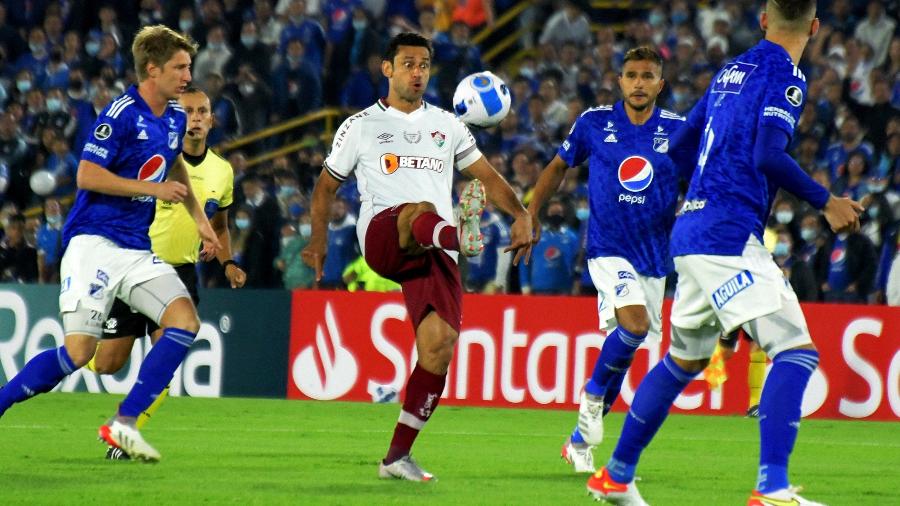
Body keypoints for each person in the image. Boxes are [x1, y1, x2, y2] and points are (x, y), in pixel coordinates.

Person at [586, 3, 863, 505]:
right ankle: (772, 488)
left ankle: (615, 477)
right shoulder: (787, 76)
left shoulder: (730, 69)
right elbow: (767, 155)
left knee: (683, 361)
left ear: (762, 19)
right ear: (816, 28)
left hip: (691, 230)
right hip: (727, 234)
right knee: (796, 351)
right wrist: (827, 201)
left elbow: (680, 144)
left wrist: (705, 191)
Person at [302, 32, 532, 482]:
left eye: (424, 65)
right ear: (387, 69)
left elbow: (485, 175)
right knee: (419, 211)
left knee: (439, 348)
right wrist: (320, 240)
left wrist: (521, 213)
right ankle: (460, 235)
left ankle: (396, 458)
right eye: (408, 63)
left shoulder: (447, 125)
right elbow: (326, 187)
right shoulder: (361, 125)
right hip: (385, 236)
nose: (418, 72)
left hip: (435, 247)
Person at [0, 25, 221, 463]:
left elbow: (173, 163)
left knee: (185, 321)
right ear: (152, 69)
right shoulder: (120, 113)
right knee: (81, 353)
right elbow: (86, 176)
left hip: (136, 248)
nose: (186, 74)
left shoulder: (174, 116)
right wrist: (153, 190)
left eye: (188, 66)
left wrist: (200, 220)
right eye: (179, 67)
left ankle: (124, 423)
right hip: (94, 242)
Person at [526, 46, 690, 474]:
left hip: (654, 256)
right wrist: (531, 212)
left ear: (660, 83)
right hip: (606, 248)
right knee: (633, 325)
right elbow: (556, 167)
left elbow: (704, 176)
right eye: (632, 75)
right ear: (620, 80)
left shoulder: (679, 129)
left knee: (629, 345)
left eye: (648, 76)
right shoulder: (594, 123)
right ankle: (592, 394)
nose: (639, 83)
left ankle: (580, 439)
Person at [88, 86, 246, 460]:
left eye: (201, 111)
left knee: (166, 360)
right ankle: (78, 346)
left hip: (180, 274)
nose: (194, 118)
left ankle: (125, 433)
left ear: (211, 119)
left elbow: (220, 226)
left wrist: (228, 262)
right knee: (109, 364)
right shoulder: (155, 156)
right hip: (134, 266)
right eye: (188, 111)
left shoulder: (222, 171)